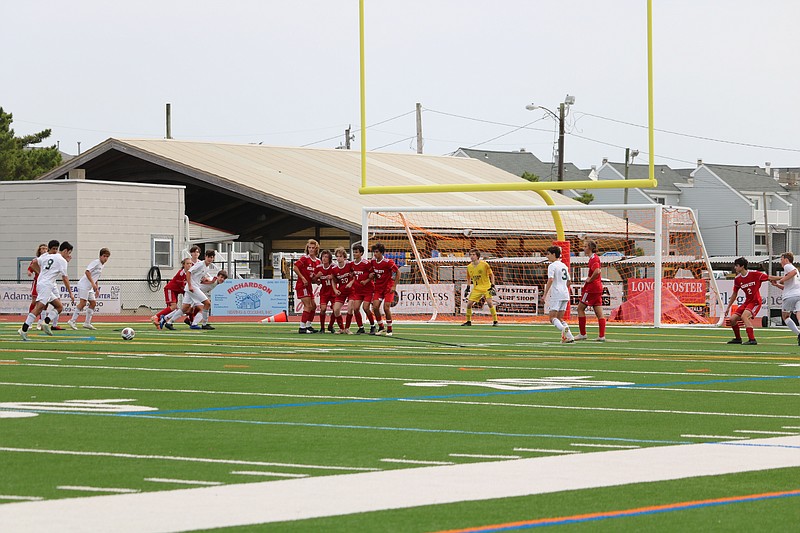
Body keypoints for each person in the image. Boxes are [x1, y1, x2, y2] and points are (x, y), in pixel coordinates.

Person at [19, 241, 75, 340]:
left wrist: (41, 274)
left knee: (59, 307)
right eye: (69, 253)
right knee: (39, 307)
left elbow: (34, 263)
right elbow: (65, 278)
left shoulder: (47, 255)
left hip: (44, 284)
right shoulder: (61, 260)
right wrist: (70, 293)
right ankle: (23, 329)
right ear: (65, 251)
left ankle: (45, 322)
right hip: (46, 285)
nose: (69, 255)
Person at [162, 250, 217, 330]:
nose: (210, 259)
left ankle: (169, 322)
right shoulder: (200, 264)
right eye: (209, 257)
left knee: (185, 308)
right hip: (192, 288)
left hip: (192, 288)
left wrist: (210, 281)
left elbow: (200, 279)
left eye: (212, 257)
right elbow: (188, 272)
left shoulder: (207, 267)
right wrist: (190, 285)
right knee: (207, 304)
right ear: (205, 257)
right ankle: (204, 324)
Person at [724, 257, 769, 345]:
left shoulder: (755, 274)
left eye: (736, 266)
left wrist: (784, 279)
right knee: (732, 319)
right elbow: (734, 294)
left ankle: (752, 339)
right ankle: (738, 339)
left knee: (744, 317)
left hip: (755, 301)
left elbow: (769, 277)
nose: (735, 268)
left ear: (742, 266)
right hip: (747, 302)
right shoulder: (737, 279)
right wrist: (728, 307)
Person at [68, 248, 110, 331]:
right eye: (104, 256)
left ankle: (87, 323)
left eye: (107, 257)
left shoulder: (102, 265)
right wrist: (92, 284)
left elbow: (96, 277)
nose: (106, 258)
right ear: (100, 256)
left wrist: (96, 287)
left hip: (90, 287)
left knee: (93, 303)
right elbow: (87, 272)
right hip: (84, 285)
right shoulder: (96, 262)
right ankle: (72, 321)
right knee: (83, 303)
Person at [575, 240, 606, 342]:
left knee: (580, 309)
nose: (583, 248)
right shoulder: (593, 258)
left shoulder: (594, 258)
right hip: (598, 288)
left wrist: (590, 279)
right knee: (599, 312)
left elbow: (597, 271)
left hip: (591, 288)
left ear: (590, 248)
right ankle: (601, 336)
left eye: (585, 246)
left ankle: (582, 334)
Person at [543, 245, 574, 343]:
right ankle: (570, 336)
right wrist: (563, 287)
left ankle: (563, 329)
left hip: (557, 294)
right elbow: (569, 281)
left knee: (552, 318)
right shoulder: (563, 265)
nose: (547, 256)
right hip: (565, 294)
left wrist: (545, 294)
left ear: (553, 254)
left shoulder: (552, 266)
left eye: (548, 254)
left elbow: (551, 279)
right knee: (560, 318)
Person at [461, 248, 499, 327]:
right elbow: (468, 278)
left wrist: (492, 285)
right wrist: (468, 287)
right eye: (470, 255)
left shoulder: (484, 264)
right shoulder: (469, 267)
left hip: (486, 286)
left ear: (477, 256)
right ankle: (468, 321)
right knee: (469, 304)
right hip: (477, 288)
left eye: (473, 255)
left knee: (489, 303)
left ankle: (495, 320)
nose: (472, 256)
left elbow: (491, 275)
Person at [153, 257, 192, 328]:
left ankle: (163, 319)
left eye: (190, 264)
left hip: (177, 291)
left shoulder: (190, 273)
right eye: (187, 263)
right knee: (174, 307)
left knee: (181, 309)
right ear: (183, 265)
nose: (189, 265)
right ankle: (156, 317)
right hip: (170, 289)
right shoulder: (181, 274)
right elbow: (183, 288)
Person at [369, 243, 399, 336]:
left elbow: (398, 272)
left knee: (386, 308)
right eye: (374, 252)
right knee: (375, 307)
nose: (375, 254)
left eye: (377, 252)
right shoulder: (373, 262)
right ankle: (381, 326)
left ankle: (389, 329)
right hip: (378, 288)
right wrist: (370, 276)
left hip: (388, 288)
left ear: (381, 253)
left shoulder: (388, 262)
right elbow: (371, 273)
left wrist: (394, 286)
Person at [293, 239, 321, 334]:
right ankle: (302, 327)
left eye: (313, 248)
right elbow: (295, 267)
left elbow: (313, 277)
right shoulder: (304, 258)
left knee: (313, 306)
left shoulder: (318, 262)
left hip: (309, 286)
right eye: (309, 247)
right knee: (308, 306)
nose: (311, 249)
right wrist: (303, 278)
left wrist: (317, 280)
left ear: (316, 249)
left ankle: (308, 325)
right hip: (302, 285)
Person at [349, 244, 375, 334]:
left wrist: (366, 281)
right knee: (355, 308)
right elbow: (352, 273)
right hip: (358, 290)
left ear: (361, 253)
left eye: (356, 252)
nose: (355, 254)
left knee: (365, 308)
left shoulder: (366, 263)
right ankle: (361, 327)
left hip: (367, 290)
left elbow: (372, 274)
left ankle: (372, 325)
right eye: (354, 252)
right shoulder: (352, 264)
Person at [330, 247, 355, 334]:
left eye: (340, 256)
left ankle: (347, 328)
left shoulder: (350, 265)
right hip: (341, 291)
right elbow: (333, 280)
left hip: (351, 290)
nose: (338, 258)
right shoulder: (334, 269)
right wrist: (335, 289)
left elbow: (356, 276)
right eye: (337, 256)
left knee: (350, 307)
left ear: (344, 257)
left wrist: (351, 282)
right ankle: (341, 328)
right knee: (336, 309)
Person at [314, 249, 336, 333]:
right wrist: (317, 277)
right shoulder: (318, 268)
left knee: (335, 309)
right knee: (323, 309)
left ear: (329, 258)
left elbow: (339, 278)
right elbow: (315, 281)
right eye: (323, 256)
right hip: (324, 291)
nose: (324, 258)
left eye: (326, 257)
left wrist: (333, 277)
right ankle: (322, 327)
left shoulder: (334, 267)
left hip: (333, 291)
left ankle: (330, 325)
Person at [27, 243, 48, 329]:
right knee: (34, 301)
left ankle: (41, 322)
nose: (44, 250)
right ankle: (29, 321)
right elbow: (30, 269)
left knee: (44, 303)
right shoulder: (36, 260)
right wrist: (29, 272)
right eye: (42, 249)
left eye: (46, 249)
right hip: (37, 282)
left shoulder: (49, 259)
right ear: (39, 250)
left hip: (47, 283)